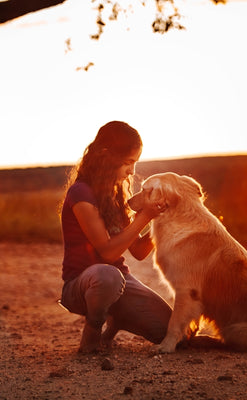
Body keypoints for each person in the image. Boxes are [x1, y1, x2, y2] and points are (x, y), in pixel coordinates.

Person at [59, 121, 172, 353]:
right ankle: (92, 332)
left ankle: (117, 319)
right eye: (128, 163)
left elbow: (139, 251)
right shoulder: (81, 193)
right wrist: (145, 216)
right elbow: (108, 252)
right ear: (106, 157)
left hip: (119, 283)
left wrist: (161, 217)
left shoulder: (116, 195)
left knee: (170, 332)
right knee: (107, 275)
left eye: (135, 163)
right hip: (83, 285)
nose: (132, 171)